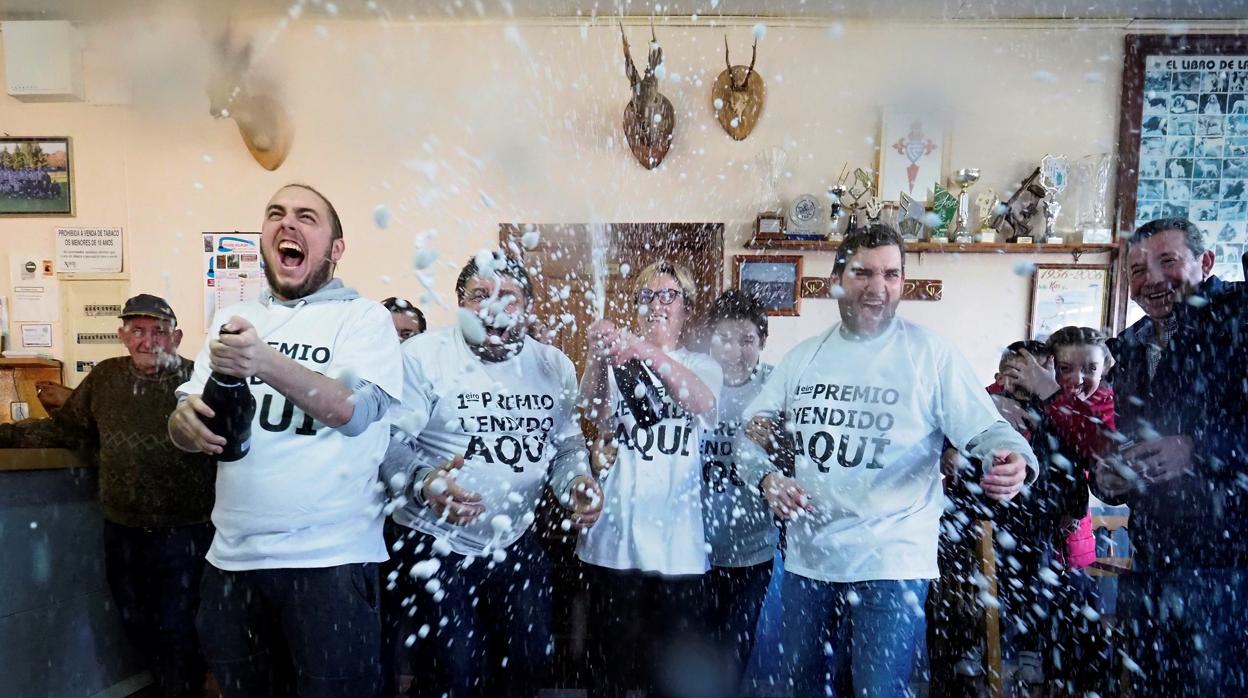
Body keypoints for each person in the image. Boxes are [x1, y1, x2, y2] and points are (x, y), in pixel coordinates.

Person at [739, 224, 1036, 697]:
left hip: (893, 561)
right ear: (837, 278)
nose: (878, 288)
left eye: (892, 275)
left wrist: (1014, 458)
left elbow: (987, 430)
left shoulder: (931, 355)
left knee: (879, 691)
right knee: (799, 688)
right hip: (809, 561)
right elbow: (749, 438)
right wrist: (767, 478)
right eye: (863, 273)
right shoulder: (802, 358)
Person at [168, 184, 403, 697]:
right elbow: (190, 414)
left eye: (307, 217)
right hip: (232, 562)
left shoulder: (364, 319)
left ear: (335, 249)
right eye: (276, 213)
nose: (287, 223)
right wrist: (183, 425)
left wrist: (266, 362)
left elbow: (352, 411)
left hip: (330, 563)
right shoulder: (235, 321)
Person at [378, 251, 603, 698]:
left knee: (528, 661)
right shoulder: (424, 355)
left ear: (528, 308)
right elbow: (386, 445)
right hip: (433, 539)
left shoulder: (553, 365)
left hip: (515, 539)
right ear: (460, 304)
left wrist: (577, 483)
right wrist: (425, 481)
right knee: (453, 671)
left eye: (509, 297)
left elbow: (567, 445)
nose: (494, 307)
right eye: (480, 295)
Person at [0, 294, 215, 698]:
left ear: (177, 337)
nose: (146, 341)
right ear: (122, 335)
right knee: (135, 624)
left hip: (186, 532)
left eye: (158, 332)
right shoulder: (106, 378)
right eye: (136, 331)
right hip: (122, 529)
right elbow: (68, 430)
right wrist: (7, 434)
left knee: (180, 629)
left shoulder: (197, 379)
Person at [1097, 218, 1248, 696]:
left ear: (1205, 263)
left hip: (1229, 565)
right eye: (1139, 269)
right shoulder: (1132, 348)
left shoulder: (1239, 318)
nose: (1153, 281)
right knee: (1150, 686)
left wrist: (1198, 449)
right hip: (1152, 557)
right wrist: (1110, 475)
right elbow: (1129, 440)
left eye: (1168, 262)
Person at [577, 261, 724, 698]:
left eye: (668, 296)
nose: (656, 305)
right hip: (612, 544)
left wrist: (643, 350)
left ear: (686, 308)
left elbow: (701, 401)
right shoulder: (617, 358)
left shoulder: (702, 364)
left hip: (678, 550)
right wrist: (599, 357)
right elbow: (592, 413)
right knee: (609, 676)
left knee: (672, 680)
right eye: (646, 296)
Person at [700, 289, 779, 693]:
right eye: (725, 339)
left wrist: (778, 440)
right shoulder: (692, 381)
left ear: (762, 343)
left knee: (733, 652)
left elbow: (803, 450)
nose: (735, 351)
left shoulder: (776, 387)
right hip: (691, 549)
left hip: (753, 551)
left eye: (747, 340)